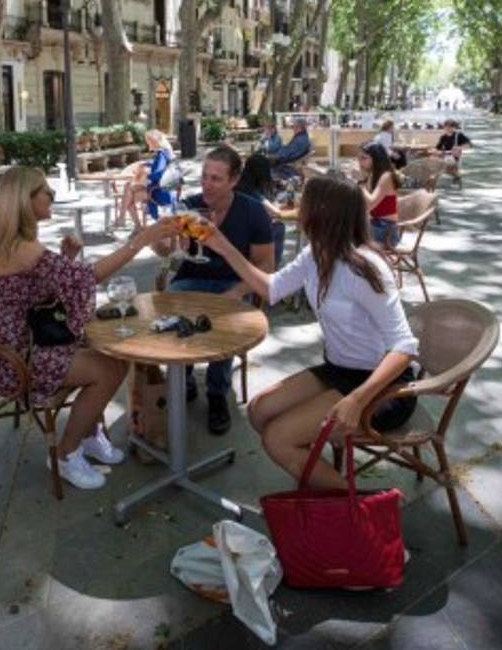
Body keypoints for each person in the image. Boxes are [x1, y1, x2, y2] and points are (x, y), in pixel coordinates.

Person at [198, 175, 419, 489]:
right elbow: (271, 288)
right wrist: (221, 244)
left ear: (324, 213)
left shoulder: (366, 269)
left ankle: (360, 509)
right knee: (259, 411)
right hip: (340, 370)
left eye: (305, 202)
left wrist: (357, 400)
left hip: (383, 386)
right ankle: (322, 481)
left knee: (278, 440)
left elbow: (405, 346)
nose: (299, 207)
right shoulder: (316, 254)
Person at [0, 167, 179, 490]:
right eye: (45, 190)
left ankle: (88, 437)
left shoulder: (20, 243)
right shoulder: (23, 247)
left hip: (29, 339)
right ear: (24, 201)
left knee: (113, 356)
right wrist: (142, 239)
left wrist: (65, 259)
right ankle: (65, 453)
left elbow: (52, 286)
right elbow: (88, 279)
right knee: (107, 368)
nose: (52, 195)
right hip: (16, 357)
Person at [153, 146, 275, 435]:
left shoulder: (253, 211)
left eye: (216, 179)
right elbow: (170, 253)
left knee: (225, 321)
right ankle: (183, 377)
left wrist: (236, 292)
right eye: (205, 176)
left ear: (234, 181)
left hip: (232, 283)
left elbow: (266, 265)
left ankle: (217, 392)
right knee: (169, 311)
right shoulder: (189, 206)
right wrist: (158, 240)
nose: (207, 184)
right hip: (190, 280)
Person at [117, 129, 177, 230]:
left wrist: (146, 178)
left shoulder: (161, 154)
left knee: (128, 196)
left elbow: (157, 174)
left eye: (148, 140)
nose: (147, 143)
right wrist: (148, 164)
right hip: (166, 189)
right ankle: (130, 222)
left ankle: (124, 220)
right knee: (129, 192)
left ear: (154, 141)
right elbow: (159, 167)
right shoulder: (166, 153)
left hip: (159, 192)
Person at [236, 152, 287, 268]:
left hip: (235, 231)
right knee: (279, 226)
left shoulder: (238, 184)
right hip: (247, 237)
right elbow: (275, 213)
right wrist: (277, 206)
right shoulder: (252, 194)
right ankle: (273, 266)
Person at [358, 143, 400, 249]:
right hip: (375, 225)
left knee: (342, 238)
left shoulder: (386, 176)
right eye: (359, 158)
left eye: (364, 158)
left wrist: (361, 183)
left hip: (385, 230)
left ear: (376, 159)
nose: (360, 161)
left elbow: (370, 204)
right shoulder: (373, 175)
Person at [267, 118, 311, 184]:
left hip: (284, 162)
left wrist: (276, 156)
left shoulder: (301, 140)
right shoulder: (300, 137)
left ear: (299, 127)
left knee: (262, 163)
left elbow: (291, 154)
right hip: (283, 158)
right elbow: (290, 150)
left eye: (294, 127)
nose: (293, 129)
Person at [429, 119, 472, 184]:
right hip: (445, 155)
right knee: (431, 159)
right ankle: (455, 175)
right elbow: (437, 147)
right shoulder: (443, 137)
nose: (447, 129)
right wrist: (434, 151)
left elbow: (469, 144)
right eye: (446, 127)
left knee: (444, 163)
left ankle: (455, 174)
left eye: (450, 127)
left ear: (454, 127)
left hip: (454, 156)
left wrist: (459, 148)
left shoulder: (458, 135)